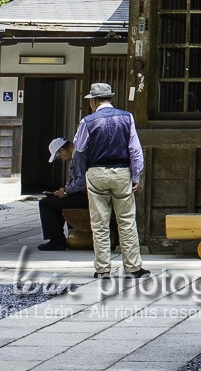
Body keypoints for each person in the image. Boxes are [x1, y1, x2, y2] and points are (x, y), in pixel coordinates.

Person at [64, 82, 148, 279]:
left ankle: (103, 269)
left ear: (93, 101)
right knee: (126, 221)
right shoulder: (127, 117)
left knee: (100, 223)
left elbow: (79, 146)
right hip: (121, 172)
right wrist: (136, 176)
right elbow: (135, 150)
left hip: (97, 172)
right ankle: (133, 267)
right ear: (110, 98)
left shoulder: (88, 121)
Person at [37, 137, 89, 250]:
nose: (62, 159)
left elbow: (82, 182)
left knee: (45, 203)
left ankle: (56, 240)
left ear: (62, 150)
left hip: (86, 196)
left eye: (59, 157)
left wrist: (66, 191)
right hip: (86, 194)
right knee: (54, 201)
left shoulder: (79, 156)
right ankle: (58, 238)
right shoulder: (79, 153)